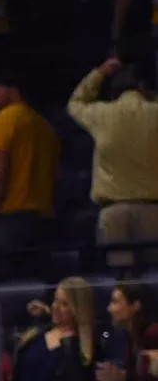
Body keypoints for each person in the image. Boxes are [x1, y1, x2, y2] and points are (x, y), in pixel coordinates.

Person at [67, 59, 158, 257]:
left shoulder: (102, 113)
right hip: (153, 210)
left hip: (113, 212)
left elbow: (75, 103)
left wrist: (98, 74)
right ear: (143, 87)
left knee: (121, 279)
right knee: (155, 276)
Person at [0, 73, 57, 262]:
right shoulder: (45, 125)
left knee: (7, 277)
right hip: (42, 216)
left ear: (13, 91)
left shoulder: (5, 118)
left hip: (11, 214)